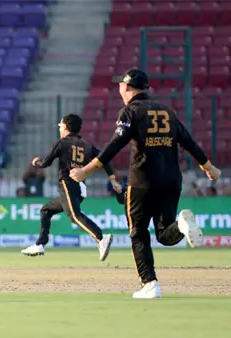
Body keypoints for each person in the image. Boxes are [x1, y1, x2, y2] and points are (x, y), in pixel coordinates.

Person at [70, 69, 222, 299]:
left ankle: (150, 284)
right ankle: (181, 225)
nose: (119, 89)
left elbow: (115, 144)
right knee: (164, 234)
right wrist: (208, 167)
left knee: (138, 233)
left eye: (120, 85)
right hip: (171, 180)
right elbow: (189, 142)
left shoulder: (130, 111)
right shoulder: (166, 110)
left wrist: (85, 171)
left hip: (142, 180)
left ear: (127, 87)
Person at [19, 114, 118, 260]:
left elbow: (45, 163)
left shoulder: (62, 143)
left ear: (65, 127)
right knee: (46, 210)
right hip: (80, 188)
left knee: (74, 216)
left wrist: (36, 162)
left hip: (67, 184)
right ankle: (40, 244)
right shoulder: (87, 145)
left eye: (60, 126)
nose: (59, 129)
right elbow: (104, 159)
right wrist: (112, 179)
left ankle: (101, 238)